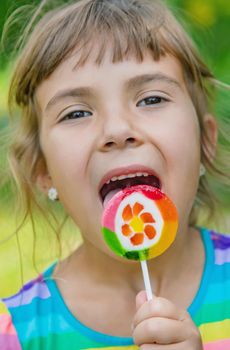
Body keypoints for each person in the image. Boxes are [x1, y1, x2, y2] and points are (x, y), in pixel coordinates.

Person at [0, 0, 229, 349]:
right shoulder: (18, 335)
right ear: (42, 170)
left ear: (206, 142)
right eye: (76, 113)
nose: (118, 129)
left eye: (151, 99)